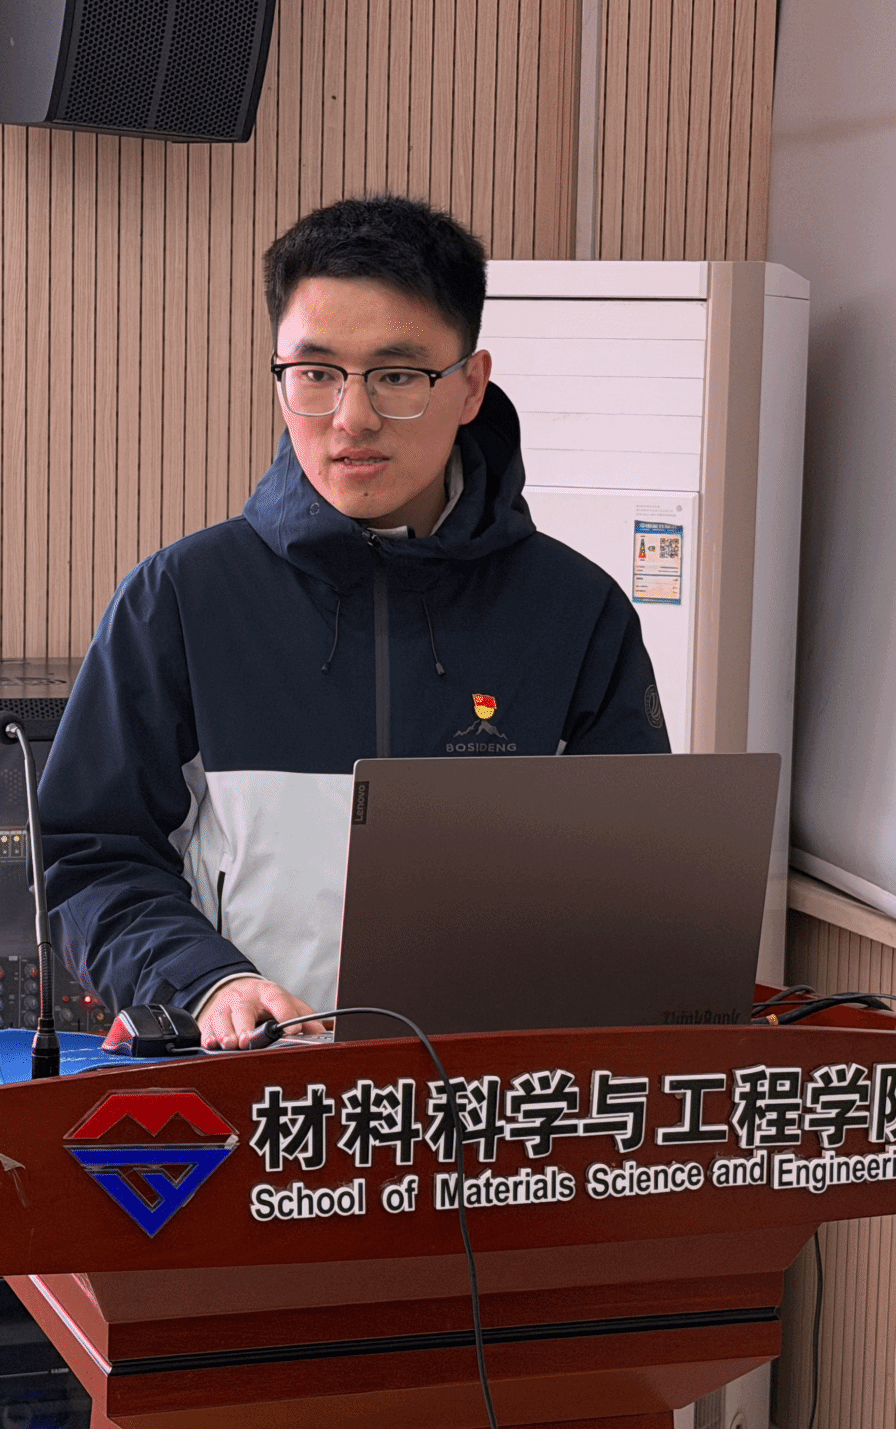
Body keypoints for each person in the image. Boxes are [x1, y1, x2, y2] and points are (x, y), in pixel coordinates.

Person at [37, 196, 669, 1049]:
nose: (352, 417)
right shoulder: (181, 599)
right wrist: (206, 980)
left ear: (471, 385)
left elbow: (631, 889)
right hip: (249, 1085)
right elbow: (91, 855)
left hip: (488, 1094)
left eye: (397, 376)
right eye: (316, 373)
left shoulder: (577, 613)